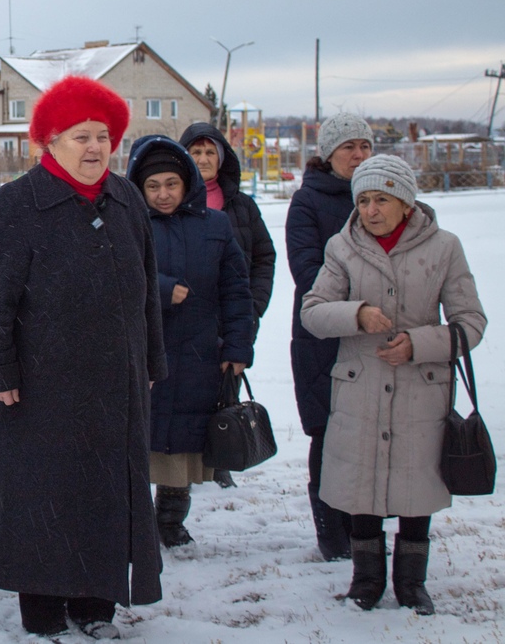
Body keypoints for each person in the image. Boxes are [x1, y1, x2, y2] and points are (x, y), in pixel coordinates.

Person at [0, 76, 164, 639]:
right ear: (49, 143)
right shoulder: (18, 203)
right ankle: (45, 612)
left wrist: (151, 360)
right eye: (80, 136)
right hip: (40, 386)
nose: (95, 148)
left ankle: (95, 606)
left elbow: (146, 288)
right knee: (46, 497)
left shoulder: (126, 198)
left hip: (115, 382)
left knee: (105, 495)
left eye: (103, 136)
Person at [301, 155, 486, 615]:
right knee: (361, 488)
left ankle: (411, 583)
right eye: (362, 200)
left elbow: (471, 322)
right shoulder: (341, 248)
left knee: (414, 485)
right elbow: (313, 312)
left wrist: (421, 343)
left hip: (421, 388)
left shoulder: (445, 248)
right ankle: (365, 581)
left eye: (381, 198)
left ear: (406, 202)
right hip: (359, 385)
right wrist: (356, 313)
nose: (370, 210)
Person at [127, 136, 252, 547]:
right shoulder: (127, 223)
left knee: (182, 449)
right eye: (153, 186)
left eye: (171, 184)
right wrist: (161, 290)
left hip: (199, 353)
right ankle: (136, 524)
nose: (163, 194)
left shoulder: (214, 226)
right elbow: (112, 278)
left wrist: (236, 348)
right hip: (144, 353)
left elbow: (237, 290)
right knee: (141, 444)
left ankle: (171, 520)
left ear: (187, 184)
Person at [286, 112, 374, 561]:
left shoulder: (381, 199)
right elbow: (306, 271)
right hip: (321, 336)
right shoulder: (308, 202)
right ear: (329, 154)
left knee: (371, 433)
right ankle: (331, 534)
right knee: (329, 434)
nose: (358, 156)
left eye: (364, 147)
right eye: (348, 148)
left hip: (373, 337)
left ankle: (365, 528)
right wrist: (366, 296)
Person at [178, 123, 275, 489]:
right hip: (186, 317)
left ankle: (223, 457)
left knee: (225, 389)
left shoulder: (241, 206)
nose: (202, 159)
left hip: (234, 316)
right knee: (185, 394)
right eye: (195, 152)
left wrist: (255, 306)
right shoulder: (171, 199)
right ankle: (181, 476)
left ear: (222, 158)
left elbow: (264, 257)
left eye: (209, 153)